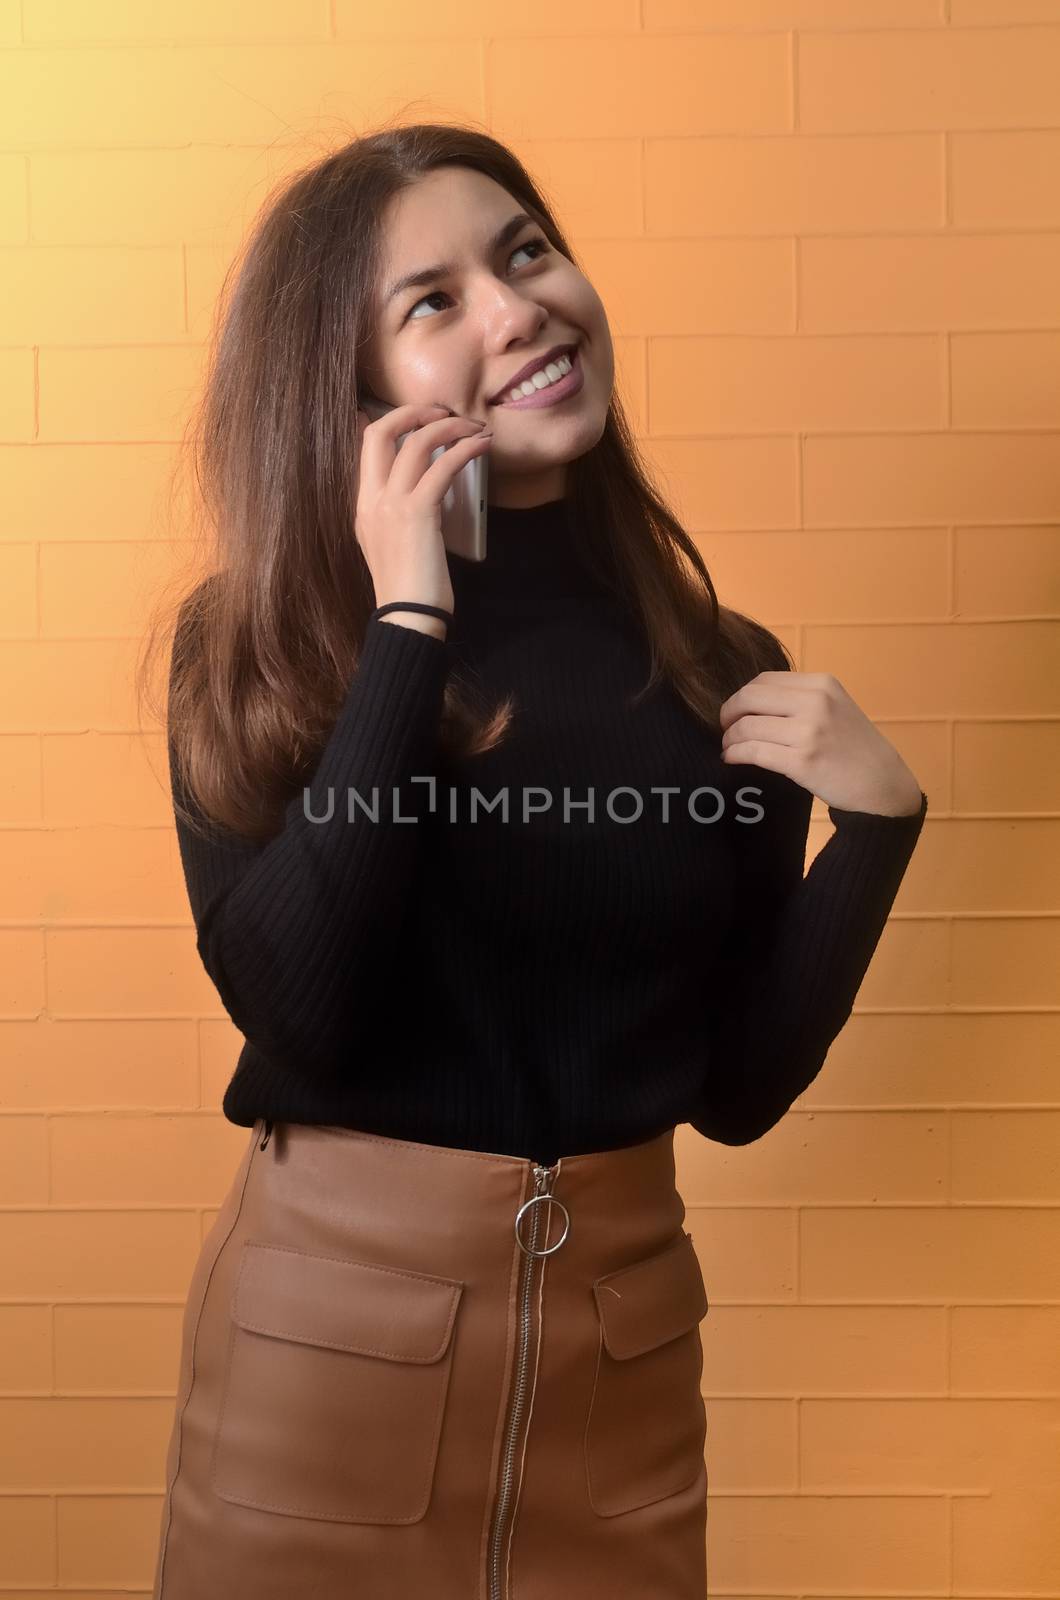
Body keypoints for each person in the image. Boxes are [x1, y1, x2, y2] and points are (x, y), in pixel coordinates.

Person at [147, 124, 927, 1600]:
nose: (517, 310)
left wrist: (877, 837)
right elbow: (296, 1012)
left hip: (619, 1379)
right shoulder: (263, 653)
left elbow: (739, 1089)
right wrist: (408, 627)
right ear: (353, 386)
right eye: (431, 301)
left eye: (524, 253)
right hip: (329, 1369)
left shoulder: (715, 670)